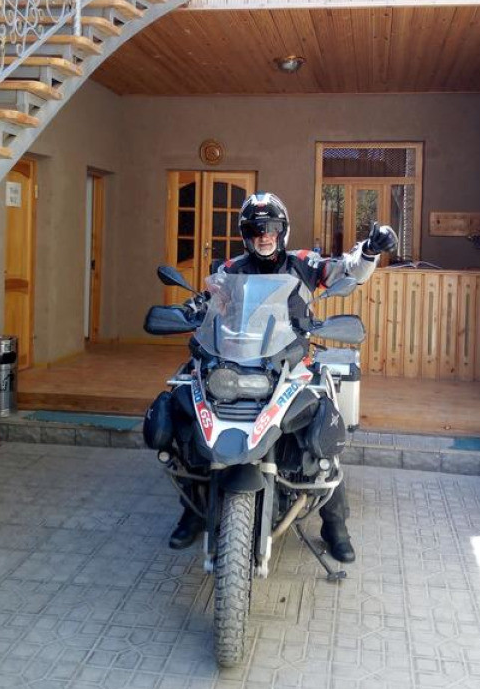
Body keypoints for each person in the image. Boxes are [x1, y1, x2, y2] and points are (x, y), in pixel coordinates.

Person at [169, 192, 398, 563]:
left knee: (323, 431)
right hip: (239, 365)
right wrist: (190, 309)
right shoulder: (230, 269)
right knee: (193, 426)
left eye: (271, 227)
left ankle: (335, 525)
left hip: (292, 363)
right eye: (256, 229)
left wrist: (369, 250)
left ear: (283, 230)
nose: (265, 235)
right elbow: (209, 303)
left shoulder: (303, 263)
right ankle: (192, 512)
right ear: (246, 234)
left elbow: (345, 270)